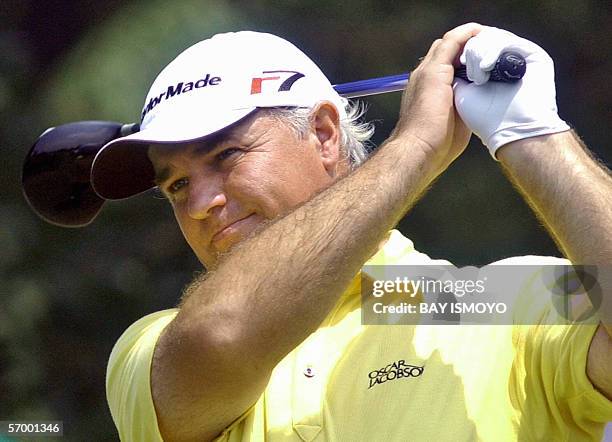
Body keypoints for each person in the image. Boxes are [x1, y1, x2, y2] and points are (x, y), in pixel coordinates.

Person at [92, 23, 612, 441]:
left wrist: (533, 136)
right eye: (178, 185)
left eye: (227, 156)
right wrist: (415, 147)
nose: (202, 203)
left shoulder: (487, 300)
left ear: (323, 135)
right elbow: (223, 330)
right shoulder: (154, 345)